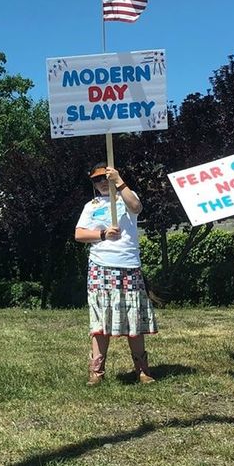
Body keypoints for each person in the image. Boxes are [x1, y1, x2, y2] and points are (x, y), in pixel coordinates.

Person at [74, 163, 157, 385]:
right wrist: (102, 234)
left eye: (105, 178)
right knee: (100, 320)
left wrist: (119, 182)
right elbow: (79, 234)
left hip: (128, 265)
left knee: (134, 320)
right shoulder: (90, 206)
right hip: (101, 266)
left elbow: (137, 207)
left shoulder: (126, 196)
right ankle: (97, 372)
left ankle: (142, 370)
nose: (101, 183)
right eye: (97, 180)